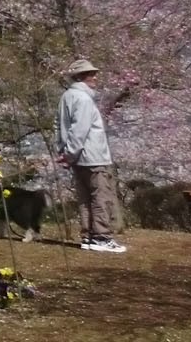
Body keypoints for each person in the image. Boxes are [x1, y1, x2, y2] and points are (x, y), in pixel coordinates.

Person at [57, 58, 125, 253]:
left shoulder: (67, 97)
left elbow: (61, 127)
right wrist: (70, 152)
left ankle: (88, 236)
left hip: (78, 157)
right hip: (93, 156)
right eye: (90, 74)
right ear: (81, 77)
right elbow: (80, 129)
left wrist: (65, 152)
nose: (95, 77)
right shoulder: (84, 99)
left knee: (85, 198)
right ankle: (102, 237)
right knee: (100, 196)